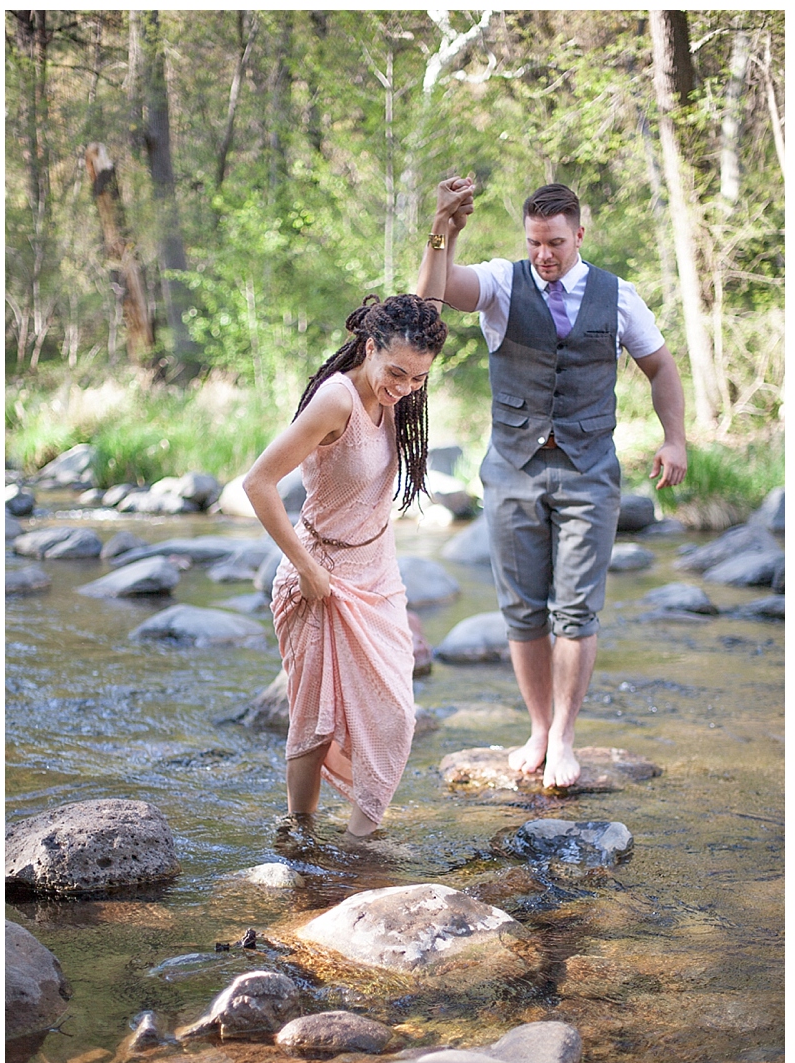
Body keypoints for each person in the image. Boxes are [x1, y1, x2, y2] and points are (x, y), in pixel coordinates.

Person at [417, 177, 687, 789]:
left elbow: (661, 366)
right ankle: (538, 728)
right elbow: (429, 298)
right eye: (535, 242)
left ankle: (565, 734)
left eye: (556, 243)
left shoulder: (618, 296)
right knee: (521, 609)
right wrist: (443, 231)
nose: (544, 254)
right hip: (512, 467)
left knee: (576, 609)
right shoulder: (499, 283)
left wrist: (675, 438)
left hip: (590, 470)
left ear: (579, 236)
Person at [243, 293, 448, 838]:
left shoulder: (398, 376)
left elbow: (426, 304)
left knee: (394, 715)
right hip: (322, 578)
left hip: (377, 574)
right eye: (398, 373)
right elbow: (258, 483)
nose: (404, 388)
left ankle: (361, 843)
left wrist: (439, 231)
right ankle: (302, 835)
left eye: (418, 380)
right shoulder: (337, 401)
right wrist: (307, 568)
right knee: (312, 721)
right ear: (370, 345)